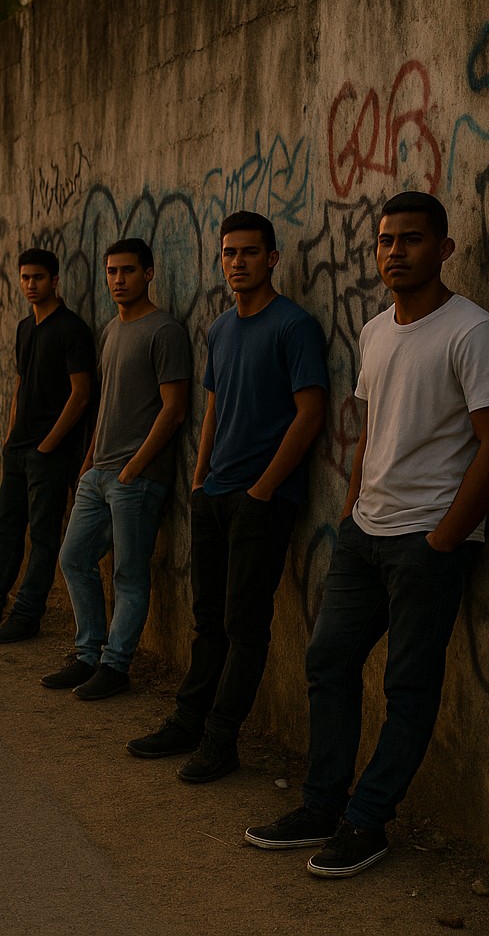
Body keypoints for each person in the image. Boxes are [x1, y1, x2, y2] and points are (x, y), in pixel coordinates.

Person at [246, 192, 489, 878]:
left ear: (444, 249)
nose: (395, 251)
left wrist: (445, 538)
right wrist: (350, 512)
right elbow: (370, 432)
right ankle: (321, 806)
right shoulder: (374, 332)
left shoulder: (473, 333)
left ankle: (367, 822)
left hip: (427, 543)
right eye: (386, 240)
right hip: (364, 535)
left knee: (408, 688)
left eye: (412, 239)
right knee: (328, 660)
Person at [127, 211, 327, 782]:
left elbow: (310, 414)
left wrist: (262, 490)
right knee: (207, 621)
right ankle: (188, 721)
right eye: (229, 253)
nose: (237, 262)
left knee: (245, 626)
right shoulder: (219, 329)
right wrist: (198, 480)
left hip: (263, 502)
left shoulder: (294, 326)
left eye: (249, 252)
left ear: (272, 259)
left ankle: (221, 739)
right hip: (213, 495)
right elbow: (213, 408)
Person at [45, 237, 191, 698]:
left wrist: (134, 468)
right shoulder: (110, 331)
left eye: (128, 271)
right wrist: (90, 461)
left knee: (129, 574)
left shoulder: (164, 331)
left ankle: (115, 665)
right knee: (73, 558)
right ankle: (88, 655)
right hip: (99, 472)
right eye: (111, 271)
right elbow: (106, 402)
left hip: (137, 478)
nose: (118, 280)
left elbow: (174, 409)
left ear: (148, 273)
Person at [0, 247, 96, 643]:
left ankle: (28, 614)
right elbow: (21, 382)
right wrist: (11, 436)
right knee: (6, 529)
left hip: (50, 454)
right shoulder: (25, 327)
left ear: (54, 280)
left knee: (43, 537)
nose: (30, 285)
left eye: (38, 277)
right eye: (25, 277)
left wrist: (47, 445)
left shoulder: (71, 329)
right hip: (18, 449)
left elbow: (81, 395)